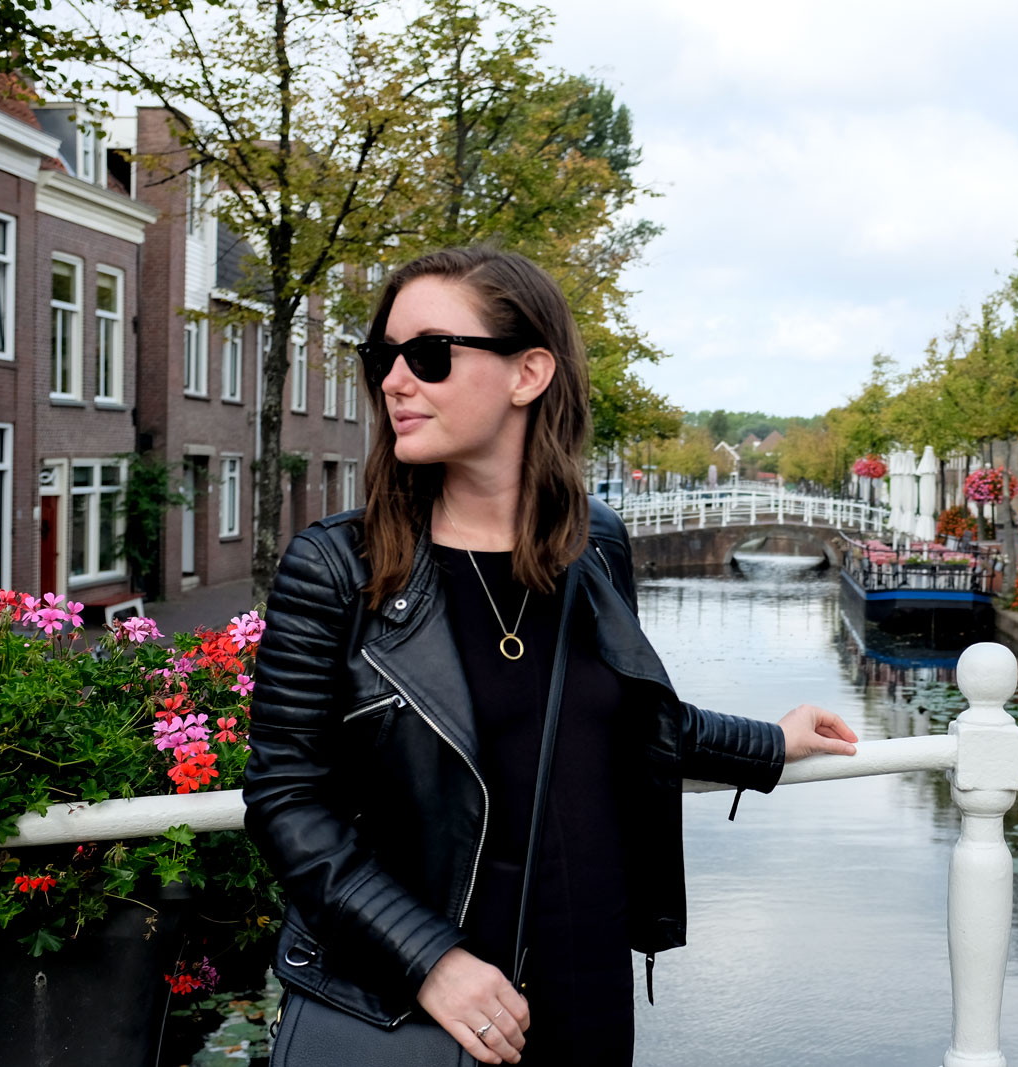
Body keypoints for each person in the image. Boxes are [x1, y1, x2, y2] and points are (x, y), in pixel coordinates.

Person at [243, 246, 858, 1066]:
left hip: (584, 989)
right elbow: (287, 797)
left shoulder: (595, 545)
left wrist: (770, 743)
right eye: (381, 357)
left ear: (529, 372)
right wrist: (429, 960)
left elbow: (625, 719)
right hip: (420, 1008)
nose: (394, 380)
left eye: (428, 355)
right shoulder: (336, 568)